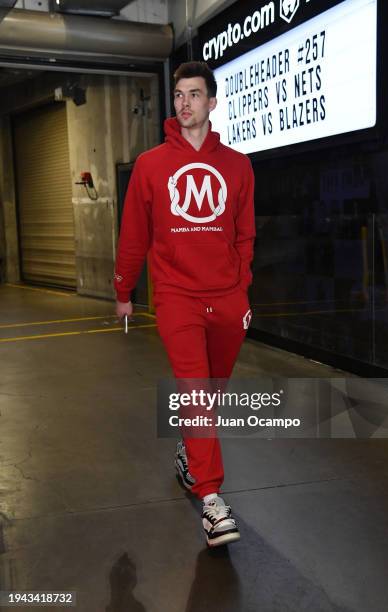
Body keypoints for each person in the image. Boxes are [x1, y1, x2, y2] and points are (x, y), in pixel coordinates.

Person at [114, 61, 255, 547]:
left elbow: (245, 235)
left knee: (211, 391)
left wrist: (241, 287)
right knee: (195, 391)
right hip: (176, 296)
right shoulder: (152, 165)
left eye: (195, 94)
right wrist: (123, 290)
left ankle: (188, 453)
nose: (185, 103)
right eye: (179, 95)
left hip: (226, 299)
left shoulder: (238, 166)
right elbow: (133, 233)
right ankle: (212, 500)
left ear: (212, 102)